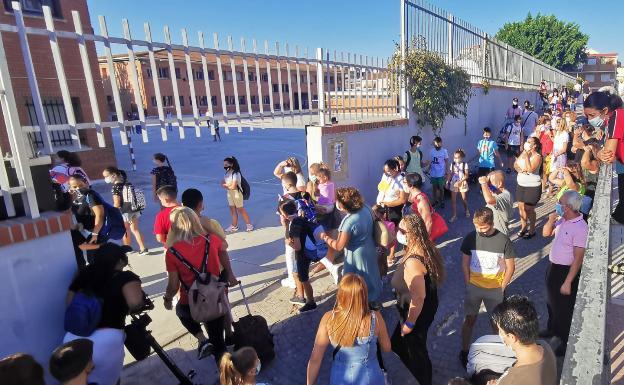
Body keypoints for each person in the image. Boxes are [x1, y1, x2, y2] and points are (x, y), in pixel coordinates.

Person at [63, 243, 145, 385]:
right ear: (120, 260)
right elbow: (135, 303)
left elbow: (69, 302)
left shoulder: (84, 273)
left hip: (73, 339)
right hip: (105, 341)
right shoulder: (125, 277)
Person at [163, 207, 229, 364]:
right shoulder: (211, 240)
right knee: (219, 342)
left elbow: (173, 285)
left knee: (181, 311)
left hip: (191, 300)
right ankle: (227, 373)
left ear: (174, 226)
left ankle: (201, 339)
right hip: (214, 297)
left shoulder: (172, 252)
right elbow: (224, 247)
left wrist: (167, 299)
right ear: (195, 221)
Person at [307, 273, 391, 385]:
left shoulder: (328, 318)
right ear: (364, 294)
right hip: (371, 377)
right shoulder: (375, 317)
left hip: (340, 378)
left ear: (340, 295)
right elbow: (387, 348)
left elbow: (315, 359)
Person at [391, 214, 445, 385]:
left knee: (416, 350)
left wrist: (409, 324)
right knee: (399, 343)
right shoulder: (424, 247)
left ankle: (423, 378)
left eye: (401, 230)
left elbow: (419, 297)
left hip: (415, 313)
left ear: (412, 234)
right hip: (420, 308)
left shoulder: (414, 262)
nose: (397, 232)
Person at [459, 207, 516, 368]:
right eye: (476, 227)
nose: (479, 230)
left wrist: (502, 287)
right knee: (469, 319)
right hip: (474, 287)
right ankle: (464, 351)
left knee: (496, 323)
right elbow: (464, 262)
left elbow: (511, 267)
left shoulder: (504, 240)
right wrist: (468, 283)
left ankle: (499, 350)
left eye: (482, 227)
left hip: (495, 289)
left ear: (491, 223)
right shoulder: (471, 237)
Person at [541, 190, 587, 357]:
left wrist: (568, 282)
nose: (557, 205)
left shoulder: (581, 228)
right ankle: (552, 328)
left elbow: (578, 259)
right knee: (550, 301)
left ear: (567, 207)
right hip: (553, 267)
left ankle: (566, 340)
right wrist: (551, 219)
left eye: (559, 203)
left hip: (565, 271)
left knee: (564, 308)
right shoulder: (562, 220)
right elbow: (546, 233)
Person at [320, 187, 382, 307]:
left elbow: (338, 246)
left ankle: (361, 304)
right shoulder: (366, 208)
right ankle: (373, 299)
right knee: (371, 274)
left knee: (356, 281)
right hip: (369, 248)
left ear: (343, 204)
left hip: (355, 255)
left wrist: (324, 237)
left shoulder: (348, 221)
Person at [489, 295, 557, 385]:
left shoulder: (512, 380)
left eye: (500, 331)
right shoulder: (544, 346)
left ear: (511, 337)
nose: (499, 334)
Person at [181, 188, 238, 286]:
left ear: (182, 205)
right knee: (220, 298)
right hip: (214, 271)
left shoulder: (178, 227)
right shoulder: (211, 224)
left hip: (189, 273)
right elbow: (223, 247)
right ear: (201, 205)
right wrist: (230, 274)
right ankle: (229, 276)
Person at [583, 91, 624, 222]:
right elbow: (604, 151)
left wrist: (595, 146)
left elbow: (608, 156)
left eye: (592, 115)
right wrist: (599, 150)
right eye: (587, 116)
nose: (589, 119)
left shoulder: (617, 117)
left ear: (605, 110)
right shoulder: (609, 120)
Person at [279, 200, 318, 313]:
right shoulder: (301, 218)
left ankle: (311, 303)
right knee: (296, 274)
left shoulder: (295, 225)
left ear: (285, 215)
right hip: (305, 253)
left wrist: (288, 243)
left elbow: (297, 247)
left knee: (304, 279)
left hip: (303, 255)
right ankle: (301, 297)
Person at [102, 167, 148, 254]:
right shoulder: (126, 182)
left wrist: (113, 213)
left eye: (106, 176)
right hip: (134, 209)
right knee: (135, 229)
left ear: (114, 175)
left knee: (125, 230)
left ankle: (127, 249)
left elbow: (117, 203)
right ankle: (143, 248)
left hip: (125, 212)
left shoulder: (116, 187)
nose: (105, 179)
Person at [68, 174, 106, 268]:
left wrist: (95, 234)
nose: (78, 188)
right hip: (85, 231)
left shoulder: (91, 195)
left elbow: (100, 215)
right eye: (75, 186)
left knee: (94, 259)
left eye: (80, 185)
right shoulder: (76, 196)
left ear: (86, 183)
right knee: (84, 256)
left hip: (95, 231)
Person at [514, 137, 543, 239]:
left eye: (529, 142)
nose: (527, 143)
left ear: (535, 145)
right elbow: (515, 164)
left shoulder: (537, 156)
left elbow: (531, 170)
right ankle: (523, 227)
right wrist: (519, 170)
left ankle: (532, 229)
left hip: (532, 186)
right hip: (521, 184)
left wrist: (526, 156)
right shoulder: (524, 153)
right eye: (527, 141)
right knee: (521, 208)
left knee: (529, 209)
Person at [222, 156, 254, 232]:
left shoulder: (236, 174)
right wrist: (227, 186)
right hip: (230, 194)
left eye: (226, 165)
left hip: (237, 194)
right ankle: (234, 226)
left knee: (240, 209)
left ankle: (249, 225)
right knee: (232, 209)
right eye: (224, 165)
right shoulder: (227, 173)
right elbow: (222, 182)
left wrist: (226, 186)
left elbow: (233, 186)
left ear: (231, 164)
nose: (224, 166)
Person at [478, 171, 513, 237]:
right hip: (492, 231)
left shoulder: (505, 196)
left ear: (499, 184)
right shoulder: (495, 193)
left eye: (490, 184)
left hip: (500, 234)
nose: (488, 186)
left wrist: (483, 183)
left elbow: (489, 200)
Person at [375, 158, 407, 225]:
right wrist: (378, 205)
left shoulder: (401, 180)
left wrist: (388, 204)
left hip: (394, 210)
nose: (386, 174)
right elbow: (381, 189)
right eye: (384, 171)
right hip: (383, 207)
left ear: (395, 169)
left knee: (392, 230)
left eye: (388, 171)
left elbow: (402, 199)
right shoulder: (386, 176)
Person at [405, 173, 436, 239]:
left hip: (420, 236)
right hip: (413, 233)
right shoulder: (411, 194)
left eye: (404, 182)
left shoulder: (421, 200)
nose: (403, 183)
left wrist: (424, 240)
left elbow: (428, 222)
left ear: (412, 186)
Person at [447, 149, 470, 222]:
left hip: (462, 183)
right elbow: (451, 173)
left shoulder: (464, 164)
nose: (455, 159)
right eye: (454, 157)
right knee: (453, 201)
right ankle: (454, 215)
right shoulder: (452, 164)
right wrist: (448, 182)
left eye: (457, 157)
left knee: (464, 199)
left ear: (461, 158)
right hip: (454, 182)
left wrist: (460, 181)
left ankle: (466, 210)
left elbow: (466, 176)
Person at [425, 136, 449, 207]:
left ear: (441, 143)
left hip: (441, 174)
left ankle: (441, 200)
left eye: (438, 144)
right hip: (433, 173)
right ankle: (435, 200)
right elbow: (431, 162)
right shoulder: (432, 151)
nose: (437, 145)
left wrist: (447, 171)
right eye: (435, 144)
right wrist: (428, 169)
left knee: (441, 188)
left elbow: (447, 162)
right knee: (434, 188)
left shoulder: (444, 151)